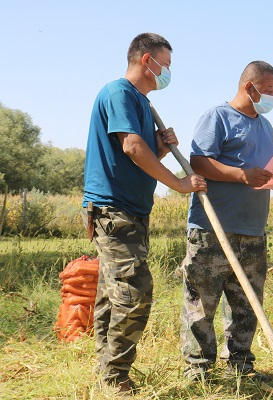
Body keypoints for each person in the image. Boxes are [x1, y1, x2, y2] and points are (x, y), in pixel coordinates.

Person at [82, 33, 206, 393]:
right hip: (113, 208)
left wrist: (161, 145)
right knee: (135, 291)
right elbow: (132, 146)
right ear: (147, 60)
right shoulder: (119, 92)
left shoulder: (139, 100)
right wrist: (180, 184)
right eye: (165, 64)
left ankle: (106, 370)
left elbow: (139, 153)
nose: (167, 71)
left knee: (112, 292)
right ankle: (116, 376)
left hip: (131, 209)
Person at [180, 60, 273, 382]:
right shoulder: (217, 117)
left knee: (247, 305)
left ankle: (241, 367)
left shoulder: (265, 126)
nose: (271, 97)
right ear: (249, 88)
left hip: (253, 231)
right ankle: (198, 370)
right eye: (268, 91)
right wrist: (241, 175)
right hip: (213, 229)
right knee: (202, 304)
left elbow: (261, 171)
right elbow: (198, 161)